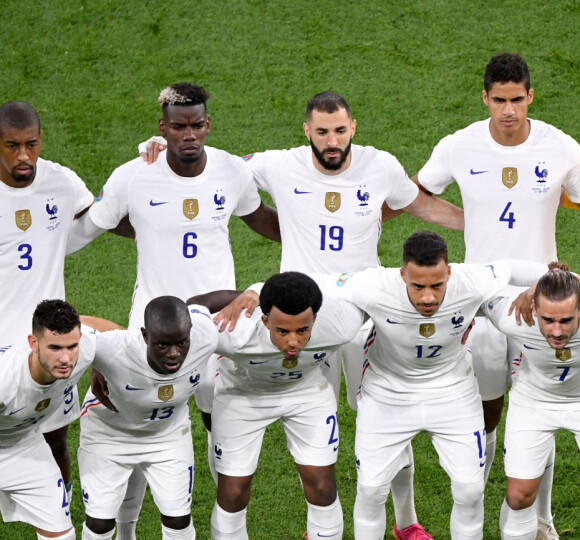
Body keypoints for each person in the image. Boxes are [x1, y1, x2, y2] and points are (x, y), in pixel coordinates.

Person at [141, 90, 465, 539]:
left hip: (363, 313)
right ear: (307, 131)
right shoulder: (279, 164)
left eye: (339, 131)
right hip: (304, 319)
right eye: (321, 132)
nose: (331, 141)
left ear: (353, 127)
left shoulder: (381, 165)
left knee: (385, 413)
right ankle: (320, 524)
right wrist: (157, 149)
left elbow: (420, 205)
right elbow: (214, 163)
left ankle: (406, 521)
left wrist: (480, 223)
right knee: (315, 417)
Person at [69, 83, 280, 539]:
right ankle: (127, 527)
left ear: (208, 124)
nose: (189, 134)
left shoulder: (230, 172)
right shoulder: (133, 175)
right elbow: (92, 224)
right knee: (140, 421)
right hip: (154, 330)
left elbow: (259, 217)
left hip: (218, 325)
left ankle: (225, 526)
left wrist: (315, 236)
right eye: (179, 126)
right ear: (162, 128)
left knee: (214, 418)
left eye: (197, 125)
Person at [414, 53, 580, 539]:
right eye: (499, 101)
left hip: (544, 305)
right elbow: (414, 193)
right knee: (486, 412)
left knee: (542, 406)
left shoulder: (561, 147)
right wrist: (464, 220)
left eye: (517, 100)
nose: (509, 111)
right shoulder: (459, 145)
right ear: (485, 98)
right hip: (483, 303)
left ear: (530, 96)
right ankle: (475, 517)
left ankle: (542, 522)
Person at [316, 231, 546, 539]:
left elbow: (511, 267)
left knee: (470, 490)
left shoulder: (470, 280)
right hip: (387, 394)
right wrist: (254, 292)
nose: (428, 297)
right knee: (370, 491)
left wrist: (548, 282)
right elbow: (313, 283)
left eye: (437, 285)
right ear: (402, 275)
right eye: (418, 286)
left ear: (449, 272)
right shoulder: (374, 285)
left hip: (452, 392)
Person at [191, 272, 365, 540]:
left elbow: (370, 290)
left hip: (305, 393)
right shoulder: (233, 332)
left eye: (302, 330)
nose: (293, 341)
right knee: (232, 492)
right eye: (282, 331)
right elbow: (187, 310)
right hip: (242, 397)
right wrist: (237, 295)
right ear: (264, 320)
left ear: (315, 319)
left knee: (322, 485)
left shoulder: (341, 322)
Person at [0, 101, 95, 508]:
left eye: (31, 144)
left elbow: (101, 215)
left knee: (56, 436)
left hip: (49, 339)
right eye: (12, 146)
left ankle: (59, 509)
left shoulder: (61, 182)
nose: (24, 156)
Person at [78, 296, 219, 540]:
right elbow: (70, 325)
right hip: (109, 434)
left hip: (167, 435)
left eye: (181, 343)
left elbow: (200, 302)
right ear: (144, 336)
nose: (174, 354)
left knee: (178, 520)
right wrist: (97, 361)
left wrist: (252, 295)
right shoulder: (112, 348)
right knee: (99, 524)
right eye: (162, 345)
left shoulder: (205, 337)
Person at [482, 266, 580, 539]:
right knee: (518, 497)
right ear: (534, 309)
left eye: (566, 320)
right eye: (548, 320)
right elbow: (469, 298)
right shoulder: (513, 316)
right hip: (533, 402)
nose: (557, 331)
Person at [0, 299, 98, 540]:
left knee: (62, 535)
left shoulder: (83, 349)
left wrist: (107, 367)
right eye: (55, 348)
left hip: (24, 445)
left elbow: (120, 340)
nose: (66, 358)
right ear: (33, 343)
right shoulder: (5, 380)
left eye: (71, 346)